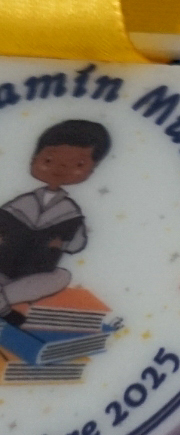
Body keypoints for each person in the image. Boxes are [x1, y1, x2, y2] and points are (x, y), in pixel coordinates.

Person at [0, 119, 109, 321]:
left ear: (91, 170)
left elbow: (76, 245)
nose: (61, 168)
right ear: (34, 159)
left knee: (61, 276)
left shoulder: (70, 212)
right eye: (49, 160)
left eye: (78, 164)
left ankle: (2, 300)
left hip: (33, 272)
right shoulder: (21, 203)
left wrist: (62, 242)